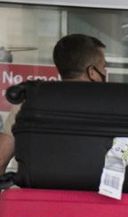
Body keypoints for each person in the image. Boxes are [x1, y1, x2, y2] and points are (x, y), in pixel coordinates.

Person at [1, 33, 107, 174]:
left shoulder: (29, 101)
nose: (105, 71)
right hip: (94, 194)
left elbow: (1, 158)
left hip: (37, 193)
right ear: (92, 72)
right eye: (104, 66)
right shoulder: (109, 105)